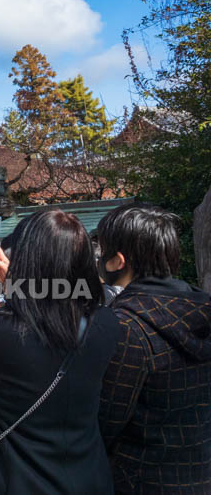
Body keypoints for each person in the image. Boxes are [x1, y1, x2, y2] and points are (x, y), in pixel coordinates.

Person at [0, 210, 118, 493]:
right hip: (85, 474)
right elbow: (48, 313)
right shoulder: (106, 323)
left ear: (26, 260)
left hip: (10, 477)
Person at [96, 203, 211, 493]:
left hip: (141, 480)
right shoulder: (201, 306)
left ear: (118, 260)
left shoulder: (127, 327)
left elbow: (105, 421)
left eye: (102, 250)